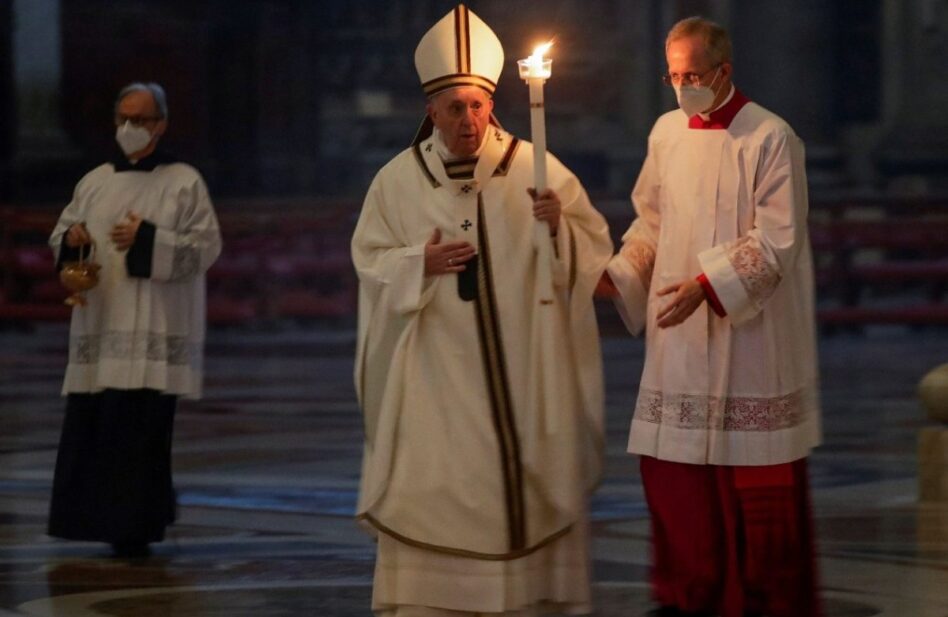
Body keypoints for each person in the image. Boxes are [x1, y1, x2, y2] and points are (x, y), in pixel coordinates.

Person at [352, 5, 613, 616]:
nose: (467, 119)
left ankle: (529, 594)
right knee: (436, 485)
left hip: (526, 368)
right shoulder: (397, 182)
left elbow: (590, 254)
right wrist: (420, 261)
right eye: (453, 108)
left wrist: (559, 231)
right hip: (436, 374)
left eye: (476, 105)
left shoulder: (535, 170)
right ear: (430, 112)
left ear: (492, 104)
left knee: (524, 478)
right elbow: (369, 259)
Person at [603, 16, 823, 617]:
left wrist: (709, 285)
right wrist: (620, 274)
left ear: (724, 71)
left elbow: (779, 240)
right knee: (677, 479)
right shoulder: (666, 133)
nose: (683, 87)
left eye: (693, 75)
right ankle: (686, 592)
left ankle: (758, 598)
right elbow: (652, 221)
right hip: (678, 338)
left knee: (751, 483)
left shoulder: (771, 137)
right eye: (674, 76)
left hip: (749, 339)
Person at [47, 82, 221, 558]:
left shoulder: (184, 180)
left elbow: (205, 249)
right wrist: (73, 240)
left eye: (141, 119)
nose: (130, 127)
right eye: (123, 117)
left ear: (161, 125)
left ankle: (137, 525)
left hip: (152, 331)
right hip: (101, 327)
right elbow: (62, 235)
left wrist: (148, 238)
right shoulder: (94, 180)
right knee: (94, 427)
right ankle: (86, 520)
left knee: (139, 433)